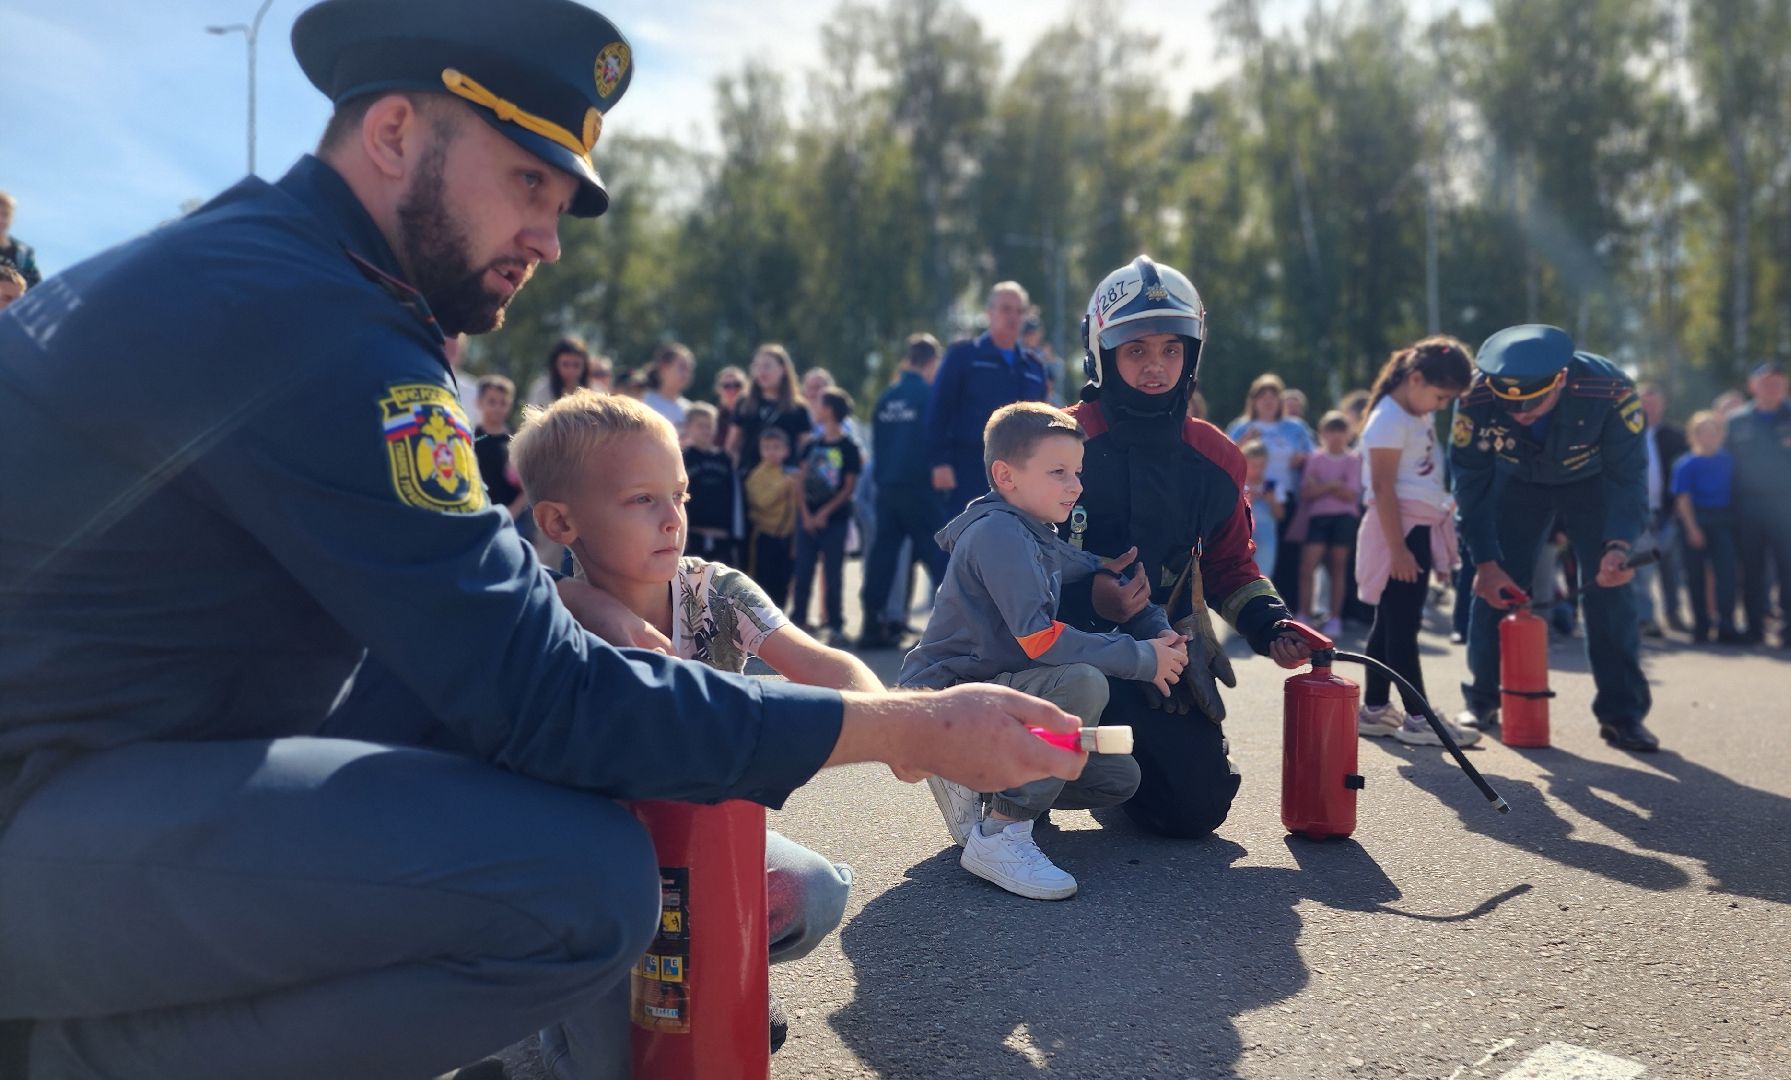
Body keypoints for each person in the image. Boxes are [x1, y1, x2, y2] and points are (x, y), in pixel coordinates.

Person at [0, 4, 1087, 1076]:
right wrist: (910, 726)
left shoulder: (269, 271)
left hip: (104, 764)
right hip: (40, 804)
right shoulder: (321, 322)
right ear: (393, 135)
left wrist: (570, 613)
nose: (549, 238)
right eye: (527, 179)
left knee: (529, 745)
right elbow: (542, 696)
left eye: (561, 199)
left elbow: (475, 634)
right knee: (577, 891)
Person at [511, 391, 876, 1067]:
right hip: (600, 876)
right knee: (617, 1063)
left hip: (708, 843)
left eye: (678, 494)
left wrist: (903, 722)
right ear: (561, 521)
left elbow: (821, 663)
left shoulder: (715, 590)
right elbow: (538, 593)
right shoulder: (543, 615)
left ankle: (728, 973)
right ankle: (553, 1021)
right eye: (641, 500)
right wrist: (596, 611)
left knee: (812, 891)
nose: (673, 518)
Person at [1058, 255, 1313, 839]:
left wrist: (1271, 624)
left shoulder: (1217, 459)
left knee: (1195, 810)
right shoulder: (1054, 438)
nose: (1155, 367)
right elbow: (998, 564)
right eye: (1137, 350)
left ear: (1191, 355)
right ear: (1103, 353)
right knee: (1034, 755)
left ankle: (1099, 769)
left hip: (1157, 657)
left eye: (1171, 350)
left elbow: (1230, 565)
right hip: (1048, 651)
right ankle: (999, 773)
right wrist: (1090, 598)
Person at [901, 402, 1178, 899]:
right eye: (1058, 473)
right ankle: (1002, 832)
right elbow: (1040, 638)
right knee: (1081, 682)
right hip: (946, 700)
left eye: (1077, 472)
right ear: (1005, 476)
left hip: (987, 699)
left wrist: (1104, 566)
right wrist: (1142, 657)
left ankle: (984, 786)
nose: (1075, 485)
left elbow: (1067, 559)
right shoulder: (999, 533)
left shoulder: (1028, 529)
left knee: (1118, 778)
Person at [1450, 324, 1660, 752]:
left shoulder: (1611, 389)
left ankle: (1622, 714)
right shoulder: (1476, 397)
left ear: (1561, 378)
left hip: (1593, 482)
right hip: (1517, 483)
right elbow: (1470, 482)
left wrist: (1619, 545)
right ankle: (1483, 699)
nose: (1520, 414)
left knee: (1610, 591)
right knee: (1495, 586)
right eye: (1511, 405)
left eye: (1532, 403)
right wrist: (1485, 561)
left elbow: (1629, 477)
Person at [1353, 339, 1479, 746]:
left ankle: (1373, 709)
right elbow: (1383, 488)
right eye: (1440, 396)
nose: (1441, 405)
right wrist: (1400, 549)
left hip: (1415, 527)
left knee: (1390, 622)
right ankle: (1418, 718)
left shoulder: (1413, 412)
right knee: (1404, 627)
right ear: (1415, 379)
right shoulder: (1388, 419)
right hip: (1400, 532)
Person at [927, 281, 1048, 519]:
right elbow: (938, 411)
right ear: (989, 313)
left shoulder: (1034, 367)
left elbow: (1042, 424)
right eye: (1005, 309)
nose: (1013, 317)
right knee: (964, 545)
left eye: (1019, 311)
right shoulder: (963, 357)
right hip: (969, 471)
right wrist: (939, 462)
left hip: (1020, 475)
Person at [1725, 361, 1791, 648]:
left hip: (1788, 505)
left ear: (1785, 386)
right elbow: (1729, 467)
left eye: (1778, 383)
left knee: (1790, 570)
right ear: (1752, 385)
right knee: (1752, 570)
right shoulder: (1737, 420)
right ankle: (1754, 628)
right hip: (1748, 507)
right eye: (1766, 382)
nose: (1772, 388)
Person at [859, 333, 949, 648]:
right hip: (920, 488)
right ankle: (953, 628)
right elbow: (937, 441)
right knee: (941, 555)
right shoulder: (929, 396)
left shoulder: (886, 398)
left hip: (887, 488)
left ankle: (872, 624)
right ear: (932, 362)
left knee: (881, 559)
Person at [1227, 374, 1315, 591]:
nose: (1267, 400)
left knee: (1287, 554)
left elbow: (1314, 457)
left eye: (1273, 395)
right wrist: (1244, 441)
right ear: (1253, 400)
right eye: (1262, 395)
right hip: (1247, 498)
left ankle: (1284, 610)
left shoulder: (1295, 427)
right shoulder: (1241, 426)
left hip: (1285, 497)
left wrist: (1302, 459)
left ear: (1280, 400)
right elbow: (1225, 456)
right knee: (1247, 553)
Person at [791, 387, 862, 645]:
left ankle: (835, 624)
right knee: (803, 570)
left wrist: (824, 513)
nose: (815, 410)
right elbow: (799, 481)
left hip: (835, 519)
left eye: (819, 404)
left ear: (830, 410)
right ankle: (797, 620)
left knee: (833, 573)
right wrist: (806, 514)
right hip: (807, 518)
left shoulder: (848, 447)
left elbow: (848, 487)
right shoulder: (811, 444)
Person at [1670, 411, 1740, 644]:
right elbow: (1683, 499)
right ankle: (1701, 626)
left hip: (1723, 521)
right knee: (1695, 576)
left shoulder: (1728, 460)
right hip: (1696, 520)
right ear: (1694, 435)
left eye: (1714, 431)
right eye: (1703, 432)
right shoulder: (1685, 463)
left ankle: (1726, 624)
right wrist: (1692, 529)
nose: (1709, 436)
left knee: (1727, 575)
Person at [1296, 412, 1363, 638]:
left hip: (1344, 519)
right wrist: (1333, 485)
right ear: (1322, 433)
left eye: (1340, 431)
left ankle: (1334, 617)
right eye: (1330, 431)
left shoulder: (1353, 459)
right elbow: (1306, 492)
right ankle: (1304, 614)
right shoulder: (1315, 458)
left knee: (1337, 567)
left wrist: (1322, 486)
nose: (1335, 436)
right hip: (1318, 518)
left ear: (1348, 434)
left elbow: (1350, 494)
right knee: (1308, 566)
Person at [1633, 383, 1690, 637]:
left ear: (1663, 404)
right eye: (1644, 401)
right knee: (1643, 570)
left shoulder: (1676, 436)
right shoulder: (1626, 432)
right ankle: (1646, 619)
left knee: (1671, 569)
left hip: (1669, 512)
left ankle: (1674, 615)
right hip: (1638, 512)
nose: (1650, 407)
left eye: (1654, 402)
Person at [729, 343, 811, 474]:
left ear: (783, 369)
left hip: (785, 478)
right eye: (757, 366)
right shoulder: (744, 403)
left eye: (767, 366)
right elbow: (732, 445)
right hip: (749, 476)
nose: (761, 372)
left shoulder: (798, 407)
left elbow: (805, 448)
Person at [744, 427, 801, 606]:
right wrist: (783, 486)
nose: (771, 452)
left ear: (786, 451)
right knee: (763, 582)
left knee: (782, 582)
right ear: (760, 450)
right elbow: (762, 502)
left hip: (786, 536)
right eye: (767, 447)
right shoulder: (756, 475)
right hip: (765, 535)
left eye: (776, 447)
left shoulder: (790, 473)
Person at [681, 401, 742, 565]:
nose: (706, 430)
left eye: (710, 425)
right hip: (693, 536)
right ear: (688, 427)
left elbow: (735, 500)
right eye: (701, 425)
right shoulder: (682, 458)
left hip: (722, 537)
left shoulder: (725, 459)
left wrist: (736, 534)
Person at [471, 373, 527, 521]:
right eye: (492, 402)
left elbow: (528, 484)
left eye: (503, 403)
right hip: (477, 514)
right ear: (479, 402)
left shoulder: (517, 441)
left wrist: (512, 512)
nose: (497, 408)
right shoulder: (470, 439)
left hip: (510, 518)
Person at [1240, 442, 1281, 570]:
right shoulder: (1238, 485)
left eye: (1262, 466)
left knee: (1263, 574)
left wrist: (1272, 500)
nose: (1258, 470)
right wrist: (1247, 501)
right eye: (1254, 466)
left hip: (1266, 538)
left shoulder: (1272, 485)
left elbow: (1280, 515)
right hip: (1242, 537)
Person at [639, 341, 695, 429]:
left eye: (689, 369)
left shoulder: (689, 409)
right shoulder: (643, 402)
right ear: (664, 369)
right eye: (682, 367)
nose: (686, 374)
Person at [525, 335, 591, 409]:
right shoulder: (541, 390)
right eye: (565, 364)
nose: (571, 370)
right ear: (555, 364)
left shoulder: (594, 389)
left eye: (576, 365)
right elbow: (530, 416)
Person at [0, 191, 39, 288]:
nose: (1, 220)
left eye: (5, 215)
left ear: (12, 218)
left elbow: (36, 286)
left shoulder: (24, 253)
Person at [711, 363, 749, 454]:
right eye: (726, 386)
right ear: (719, 389)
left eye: (737, 385)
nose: (732, 390)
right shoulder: (713, 417)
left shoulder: (753, 414)